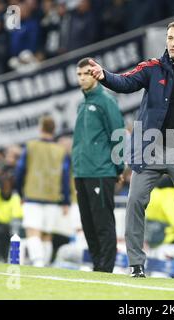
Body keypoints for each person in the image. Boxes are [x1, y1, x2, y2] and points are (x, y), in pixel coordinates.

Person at [87, 19, 174, 280]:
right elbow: (126, 82)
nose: (172, 43)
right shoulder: (152, 68)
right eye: (170, 38)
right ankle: (136, 265)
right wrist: (104, 76)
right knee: (135, 202)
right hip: (151, 148)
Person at [72, 57, 125, 273]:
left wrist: (119, 168)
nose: (83, 77)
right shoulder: (82, 104)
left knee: (103, 223)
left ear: (95, 74)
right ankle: (97, 265)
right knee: (88, 223)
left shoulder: (106, 101)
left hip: (101, 171)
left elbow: (118, 135)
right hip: (82, 171)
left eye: (86, 73)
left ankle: (106, 268)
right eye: (79, 74)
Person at [15, 116, 71, 267]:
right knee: (46, 235)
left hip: (33, 195)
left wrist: (20, 193)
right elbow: (65, 177)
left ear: (40, 128)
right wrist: (66, 200)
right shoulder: (61, 151)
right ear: (54, 130)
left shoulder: (31, 146)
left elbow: (20, 171)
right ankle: (44, 265)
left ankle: (38, 263)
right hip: (53, 197)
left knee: (33, 231)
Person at [0, 172, 23, 262]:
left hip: (7, 227)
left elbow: (17, 217)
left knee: (11, 232)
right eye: (4, 186)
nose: (6, 188)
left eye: (8, 186)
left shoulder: (15, 198)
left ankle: (4, 259)